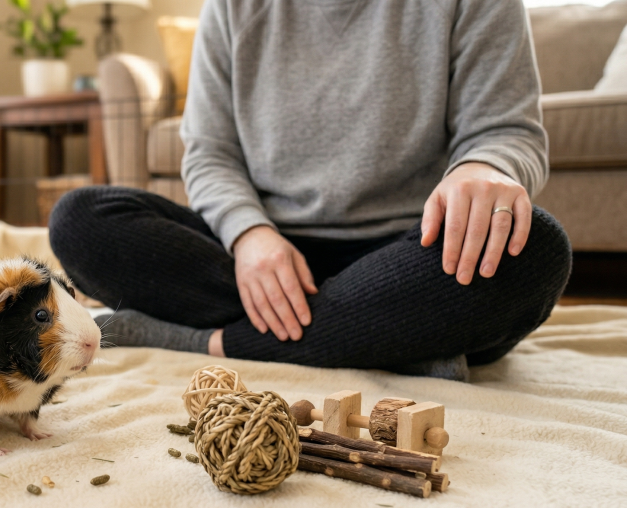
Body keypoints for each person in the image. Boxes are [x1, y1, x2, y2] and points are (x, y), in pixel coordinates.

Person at [49, 0, 572, 381]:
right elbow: (209, 152)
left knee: (538, 250)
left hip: (408, 255)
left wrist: (483, 166)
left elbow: (507, 131)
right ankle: (392, 340)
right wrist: (250, 234)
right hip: (261, 261)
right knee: (79, 218)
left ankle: (209, 342)